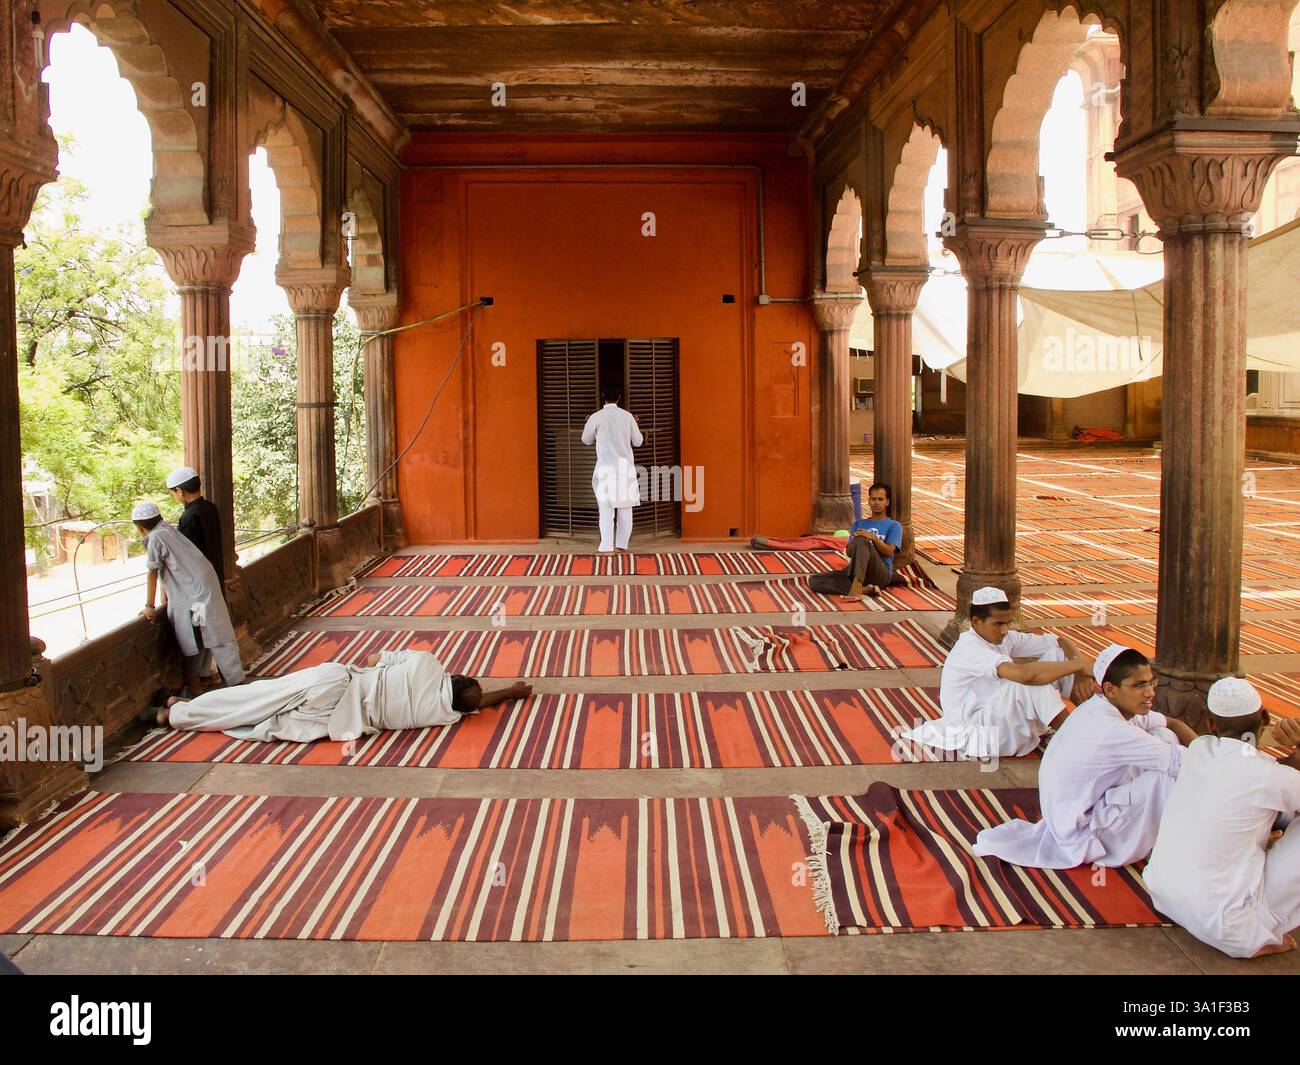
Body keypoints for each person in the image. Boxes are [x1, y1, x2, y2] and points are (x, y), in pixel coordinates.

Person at [973, 644, 1196, 868]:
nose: (1149, 692)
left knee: (1164, 735)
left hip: (1087, 808)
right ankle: (1172, 847)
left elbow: (1172, 723)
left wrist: (1208, 750)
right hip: (1083, 832)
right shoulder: (1109, 727)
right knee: (1168, 777)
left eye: (1150, 682)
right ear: (1110, 689)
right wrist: (1225, 759)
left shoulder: (1109, 706)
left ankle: (1156, 833)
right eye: (1139, 685)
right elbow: (1186, 764)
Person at [1143, 677, 1300, 959]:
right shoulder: (1269, 776)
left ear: (1212, 725)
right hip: (1229, 929)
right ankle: (1262, 931)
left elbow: (1257, 772)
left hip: (1164, 895)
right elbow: (1272, 776)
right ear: (1265, 717)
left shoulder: (1199, 750)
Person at [153, 648, 533, 744]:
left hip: (338, 682)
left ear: (457, 675)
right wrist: (511, 694)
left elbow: (372, 658)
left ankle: (178, 706)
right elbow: (477, 702)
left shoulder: (428, 664)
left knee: (259, 695)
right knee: (263, 719)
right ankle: (175, 716)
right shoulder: (441, 715)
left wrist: (514, 687)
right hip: (339, 721)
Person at [900, 587, 1094, 758]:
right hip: (983, 732)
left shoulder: (1004, 637)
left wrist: (1080, 671)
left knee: (1057, 656)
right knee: (1029, 684)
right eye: (998, 624)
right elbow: (1026, 676)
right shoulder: (969, 648)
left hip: (999, 717)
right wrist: (1081, 667)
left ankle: (1094, 718)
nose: (1004, 630)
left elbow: (1060, 642)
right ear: (976, 622)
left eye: (1007, 623)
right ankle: (1078, 741)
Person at [133, 501, 245, 693]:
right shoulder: (167, 530)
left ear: (141, 528)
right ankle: (205, 678)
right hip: (201, 592)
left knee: (209, 637)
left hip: (196, 598)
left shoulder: (156, 538)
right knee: (202, 636)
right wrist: (164, 592)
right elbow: (168, 567)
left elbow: (153, 571)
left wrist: (149, 606)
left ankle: (230, 684)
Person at [808, 482, 903, 601]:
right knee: (814, 581)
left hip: (879, 574)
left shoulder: (894, 525)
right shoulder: (859, 524)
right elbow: (848, 553)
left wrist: (872, 538)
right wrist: (856, 541)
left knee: (863, 539)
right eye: (873, 499)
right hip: (856, 570)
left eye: (880, 499)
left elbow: (889, 552)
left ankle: (857, 587)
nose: (876, 502)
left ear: (887, 502)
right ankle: (866, 589)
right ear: (868, 501)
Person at [581, 383, 643, 553]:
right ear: (619, 398)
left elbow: (586, 440)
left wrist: (589, 425)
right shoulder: (628, 417)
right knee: (625, 508)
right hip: (624, 468)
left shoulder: (596, 417)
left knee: (606, 509)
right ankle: (622, 545)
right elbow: (638, 442)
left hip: (605, 468)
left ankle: (607, 546)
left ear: (603, 396)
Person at [167, 465, 225, 591]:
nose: (174, 496)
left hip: (200, 581)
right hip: (216, 572)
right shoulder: (211, 507)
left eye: (173, 493)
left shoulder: (188, 517)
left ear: (179, 491)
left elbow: (187, 555)